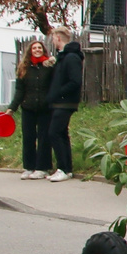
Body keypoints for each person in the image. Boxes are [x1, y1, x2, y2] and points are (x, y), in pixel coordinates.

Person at [9, 39, 55, 179]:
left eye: (39, 48)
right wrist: (12, 108)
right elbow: (19, 91)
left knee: (44, 138)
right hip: (28, 108)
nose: (37, 50)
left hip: (45, 108)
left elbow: (54, 86)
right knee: (28, 138)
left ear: (43, 50)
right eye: (34, 48)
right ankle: (29, 167)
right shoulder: (24, 68)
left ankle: (42, 168)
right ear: (30, 51)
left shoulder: (49, 66)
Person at [45, 26, 83, 182]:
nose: (53, 41)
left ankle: (63, 167)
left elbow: (75, 81)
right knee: (61, 134)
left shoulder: (71, 58)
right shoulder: (63, 57)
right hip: (60, 103)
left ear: (58, 38)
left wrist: (57, 93)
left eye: (53, 38)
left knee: (54, 133)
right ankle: (66, 169)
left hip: (65, 103)